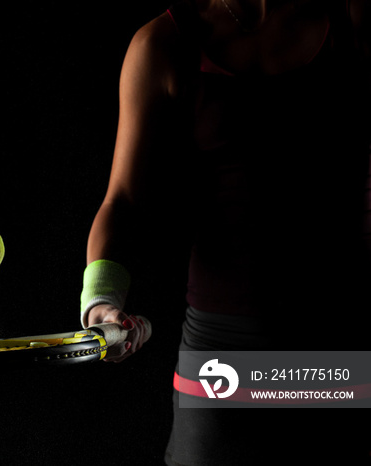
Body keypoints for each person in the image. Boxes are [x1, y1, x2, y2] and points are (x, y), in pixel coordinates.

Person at [79, 0, 370, 464]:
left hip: (339, 349)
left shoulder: (349, 19)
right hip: (222, 359)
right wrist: (101, 300)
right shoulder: (162, 44)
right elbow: (123, 201)